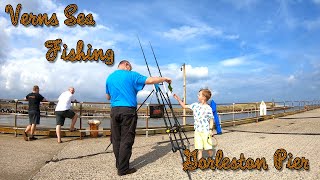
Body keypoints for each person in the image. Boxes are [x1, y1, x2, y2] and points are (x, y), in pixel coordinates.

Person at [105, 60, 171, 176]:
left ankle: (119, 164)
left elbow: (107, 97)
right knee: (127, 139)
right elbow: (150, 80)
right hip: (128, 111)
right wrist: (164, 78)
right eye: (130, 66)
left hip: (114, 110)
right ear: (126, 65)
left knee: (116, 139)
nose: (130, 68)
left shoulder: (110, 77)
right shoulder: (131, 74)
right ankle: (123, 169)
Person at [173, 88, 215, 160]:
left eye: (199, 95)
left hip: (206, 132)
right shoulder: (195, 105)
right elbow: (184, 106)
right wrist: (178, 99)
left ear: (204, 97)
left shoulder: (208, 108)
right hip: (197, 132)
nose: (197, 96)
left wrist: (211, 130)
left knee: (208, 149)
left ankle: (211, 159)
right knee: (199, 150)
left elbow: (211, 120)